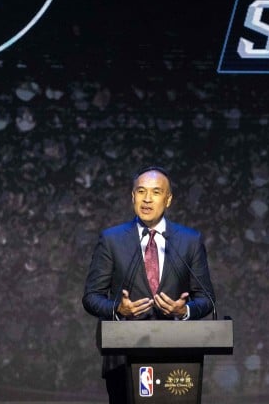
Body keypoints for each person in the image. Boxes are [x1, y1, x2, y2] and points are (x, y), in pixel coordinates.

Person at [83, 166, 216, 404]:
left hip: (177, 358)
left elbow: (206, 299)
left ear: (168, 199)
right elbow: (91, 296)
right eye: (141, 191)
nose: (147, 199)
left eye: (155, 192)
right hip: (123, 358)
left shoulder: (189, 240)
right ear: (132, 196)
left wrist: (183, 311)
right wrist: (118, 309)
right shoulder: (112, 239)